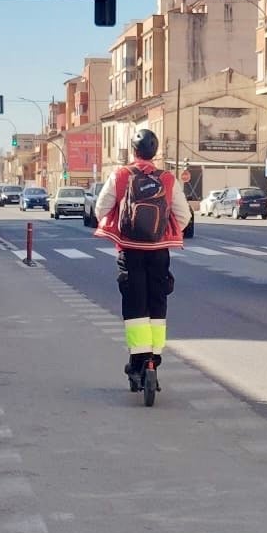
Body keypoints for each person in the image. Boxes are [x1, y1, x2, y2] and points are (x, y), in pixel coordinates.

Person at [95, 125, 191, 390]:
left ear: (134, 150)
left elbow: (101, 208)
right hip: (159, 252)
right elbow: (183, 216)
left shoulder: (121, 175)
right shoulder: (168, 179)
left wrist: (118, 225)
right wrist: (163, 233)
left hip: (130, 250)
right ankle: (153, 359)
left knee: (135, 303)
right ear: (155, 151)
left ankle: (137, 360)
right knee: (157, 302)